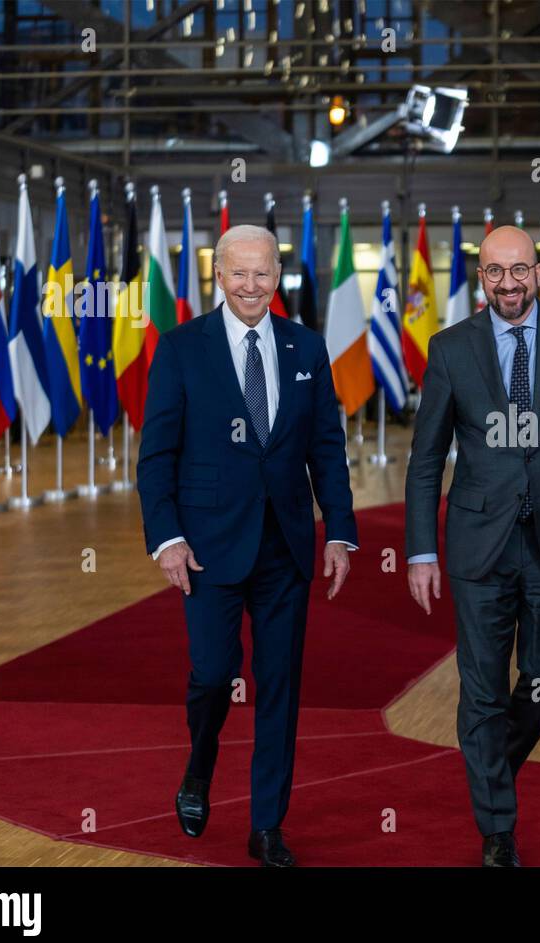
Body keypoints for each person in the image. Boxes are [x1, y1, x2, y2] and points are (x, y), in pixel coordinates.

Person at [137, 224, 357, 867]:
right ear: (219, 276)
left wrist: (339, 530)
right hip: (206, 547)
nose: (252, 286)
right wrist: (167, 539)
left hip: (285, 547)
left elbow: (327, 448)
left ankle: (267, 827)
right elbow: (157, 457)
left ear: (278, 276)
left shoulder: (306, 347)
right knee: (213, 674)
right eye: (240, 273)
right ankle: (200, 764)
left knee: (280, 686)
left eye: (263, 274)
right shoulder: (181, 348)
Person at [405, 224, 540, 866]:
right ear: (482, 278)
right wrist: (420, 552)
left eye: (519, 270)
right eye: (495, 272)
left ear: (537, 271)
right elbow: (425, 461)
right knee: (482, 689)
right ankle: (498, 829)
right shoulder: (449, 349)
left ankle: (490, 761)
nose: (508, 283)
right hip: (478, 545)